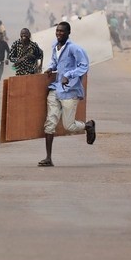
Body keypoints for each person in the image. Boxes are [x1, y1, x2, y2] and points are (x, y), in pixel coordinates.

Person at [40, 21, 95, 167]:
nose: (59, 34)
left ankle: (88, 126)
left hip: (69, 90)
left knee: (68, 126)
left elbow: (84, 65)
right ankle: (48, 158)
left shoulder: (74, 49)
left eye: (62, 31)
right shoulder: (54, 46)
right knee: (50, 123)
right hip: (55, 88)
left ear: (68, 33)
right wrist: (50, 68)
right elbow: (54, 62)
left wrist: (69, 75)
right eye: (57, 31)